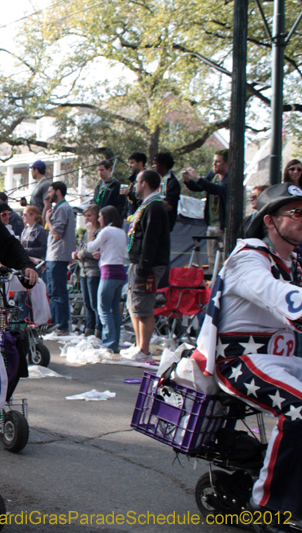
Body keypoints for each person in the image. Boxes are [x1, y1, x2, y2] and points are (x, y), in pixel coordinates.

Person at [193, 182, 302, 526]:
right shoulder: (248, 258)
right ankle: (269, 507)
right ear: (269, 220)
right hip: (241, 361)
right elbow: (275, 293)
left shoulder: (293, 263)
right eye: (296, 213)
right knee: (299, 408)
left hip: (285, 360)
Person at [121, 170, 170, 361]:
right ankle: (138, 345)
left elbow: (151, 240)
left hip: (147, 265)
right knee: (134, 305)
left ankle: (144, 350)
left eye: (137, 182)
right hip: (137, 262)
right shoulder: (145, 205)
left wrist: (143, 268)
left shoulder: (155, 207)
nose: (134, 186)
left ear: (145, 183)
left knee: (143, 306)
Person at [181, 149, 229, 274]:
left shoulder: (230, 178)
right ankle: (213, 280)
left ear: (226, 164)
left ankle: (221, 281)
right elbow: (200, 187)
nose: (214, 164)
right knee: (211, 258)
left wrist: (198, 178)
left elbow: (218, 189)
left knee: (223, 259)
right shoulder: (213, 174)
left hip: (223, 226)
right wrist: (188, 180)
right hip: (211, 224)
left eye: (218, 162)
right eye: (214, 161)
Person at [87, 206, 128, 352]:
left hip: (108, 272)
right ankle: (114, 343)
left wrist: (90, 232)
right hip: (120, 271)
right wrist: (102, 254)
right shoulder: (121, 232)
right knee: (114, 309)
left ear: (106, 217)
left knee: (103, 308)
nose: (98, 219)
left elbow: (91, 247)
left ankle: (109, 343)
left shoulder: (106, 231)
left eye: (100, 216)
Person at [44, 180, 76, 334]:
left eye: (50, 191)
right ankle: (56, 324)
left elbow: (56, 233)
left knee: (57, 292)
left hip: (57, 255)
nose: (48, 194)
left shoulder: (63, 208)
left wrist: (48, 220)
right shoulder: (59, 208)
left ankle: (61, 325)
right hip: (54, 255)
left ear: (58, 192)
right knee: (53, 292)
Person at [73, 203, 101, 337]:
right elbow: (83, 248)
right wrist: (77, 253)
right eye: (85, 216)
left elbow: (92, 251)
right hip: (83, 270)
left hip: (94, 270)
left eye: (90, 215)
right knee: (87, 303)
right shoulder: (86, 233)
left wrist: (81, 253)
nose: (87, 218)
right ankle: (89, 328)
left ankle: (98, 329)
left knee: (95, 302)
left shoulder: (99, 232)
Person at [152, 152, 181, 231]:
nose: (153, 166)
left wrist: (152, 198)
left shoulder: (172, 183)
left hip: (165, 223)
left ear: (163, 165)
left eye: (155, 163)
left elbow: (169, 205)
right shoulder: (156, 180)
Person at [122, 152, 147, 217]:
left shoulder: (147, 178)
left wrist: (129, 194)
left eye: (132, 163)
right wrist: (124, 214)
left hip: (141, 215)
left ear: (140, 163)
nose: (129, 165)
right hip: (130, 215)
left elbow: (144, 198)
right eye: (129, 163)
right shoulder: (132, 179)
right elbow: (127, 200)